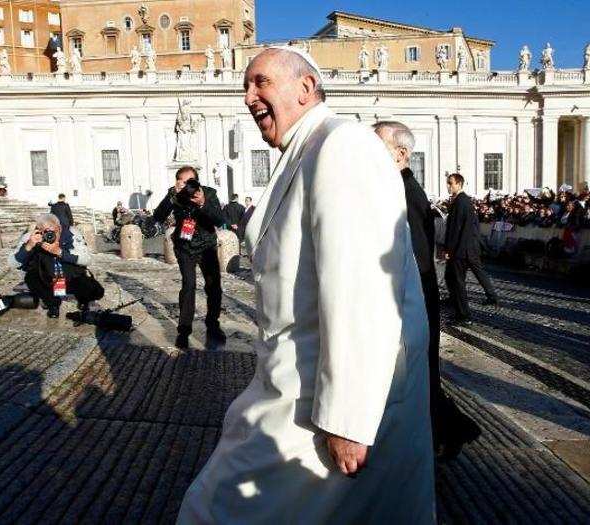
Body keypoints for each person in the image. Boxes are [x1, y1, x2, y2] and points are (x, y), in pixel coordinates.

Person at [177, 47, 434, 523]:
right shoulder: (306, 149)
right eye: (245, 86)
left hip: (320, 401)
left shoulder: (343, 146)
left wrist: (348, 419)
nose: (248, 96)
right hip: (292, 382)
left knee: (214, 511)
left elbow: (362, 287)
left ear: (305, 87)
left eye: (260, 82)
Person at [374, 121, 480, 459]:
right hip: (412, 298)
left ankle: (452, 431)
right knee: (420, 377)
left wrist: (407, 306)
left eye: (378, 147)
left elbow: (419, 258)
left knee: (420, 377)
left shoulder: (406, 194)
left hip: (415, 299)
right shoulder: (395, 188)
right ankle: (452, 430)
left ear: (401, 153)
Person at [152, 166, 226, 349]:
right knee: (189, 286)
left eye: (191, 182)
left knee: (214, 286)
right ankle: (184, 331)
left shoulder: (208, 193)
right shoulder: (174, 195)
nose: (188, 186)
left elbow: (219, 219)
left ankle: (212, 325)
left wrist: (202, 203)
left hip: (207, 246)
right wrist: (172, 196)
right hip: (185, 247)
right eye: (183, 182)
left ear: (197, 181)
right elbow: (158, 216)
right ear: (178, 182)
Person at [8, 213, 103, 318]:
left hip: (70, 277)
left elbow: (88, 259)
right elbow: (12, 263)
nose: (50, 235)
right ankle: (52, 304)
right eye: (45, 232)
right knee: (31, 277)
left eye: (53, 232)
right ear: (39, 230)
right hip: (46, 279)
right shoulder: (31, 237)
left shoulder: (72, 234)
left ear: (59, 227)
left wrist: (60, 252)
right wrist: (29, 246)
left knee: (96, 290)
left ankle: (84, 300)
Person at [444, 173, 499, 326]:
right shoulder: (463, 201)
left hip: (462, 249)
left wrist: (449, 249)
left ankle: (464, 315)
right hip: (469, 247)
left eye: (451, 183)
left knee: (458, 281)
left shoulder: (460, 202)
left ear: (459, 184)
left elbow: (456, 228)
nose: (448, 186)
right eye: (448, 183)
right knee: (456, 276)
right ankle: (489, 296)